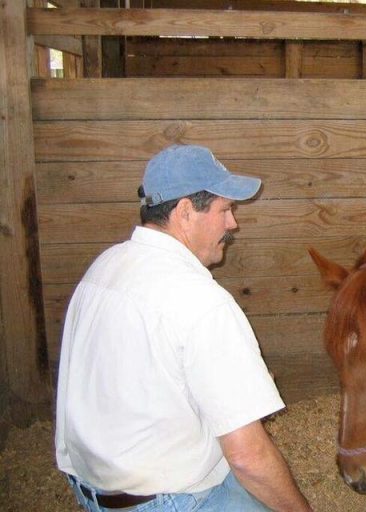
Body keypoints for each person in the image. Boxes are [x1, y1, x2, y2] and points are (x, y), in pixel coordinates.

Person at [55, 144, 313, 512]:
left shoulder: (103, 269)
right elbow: (247, 457)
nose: (232, 224)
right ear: (186, 211)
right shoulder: (201, 300)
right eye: (225, 210)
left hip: (93, 491)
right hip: (169, 501)